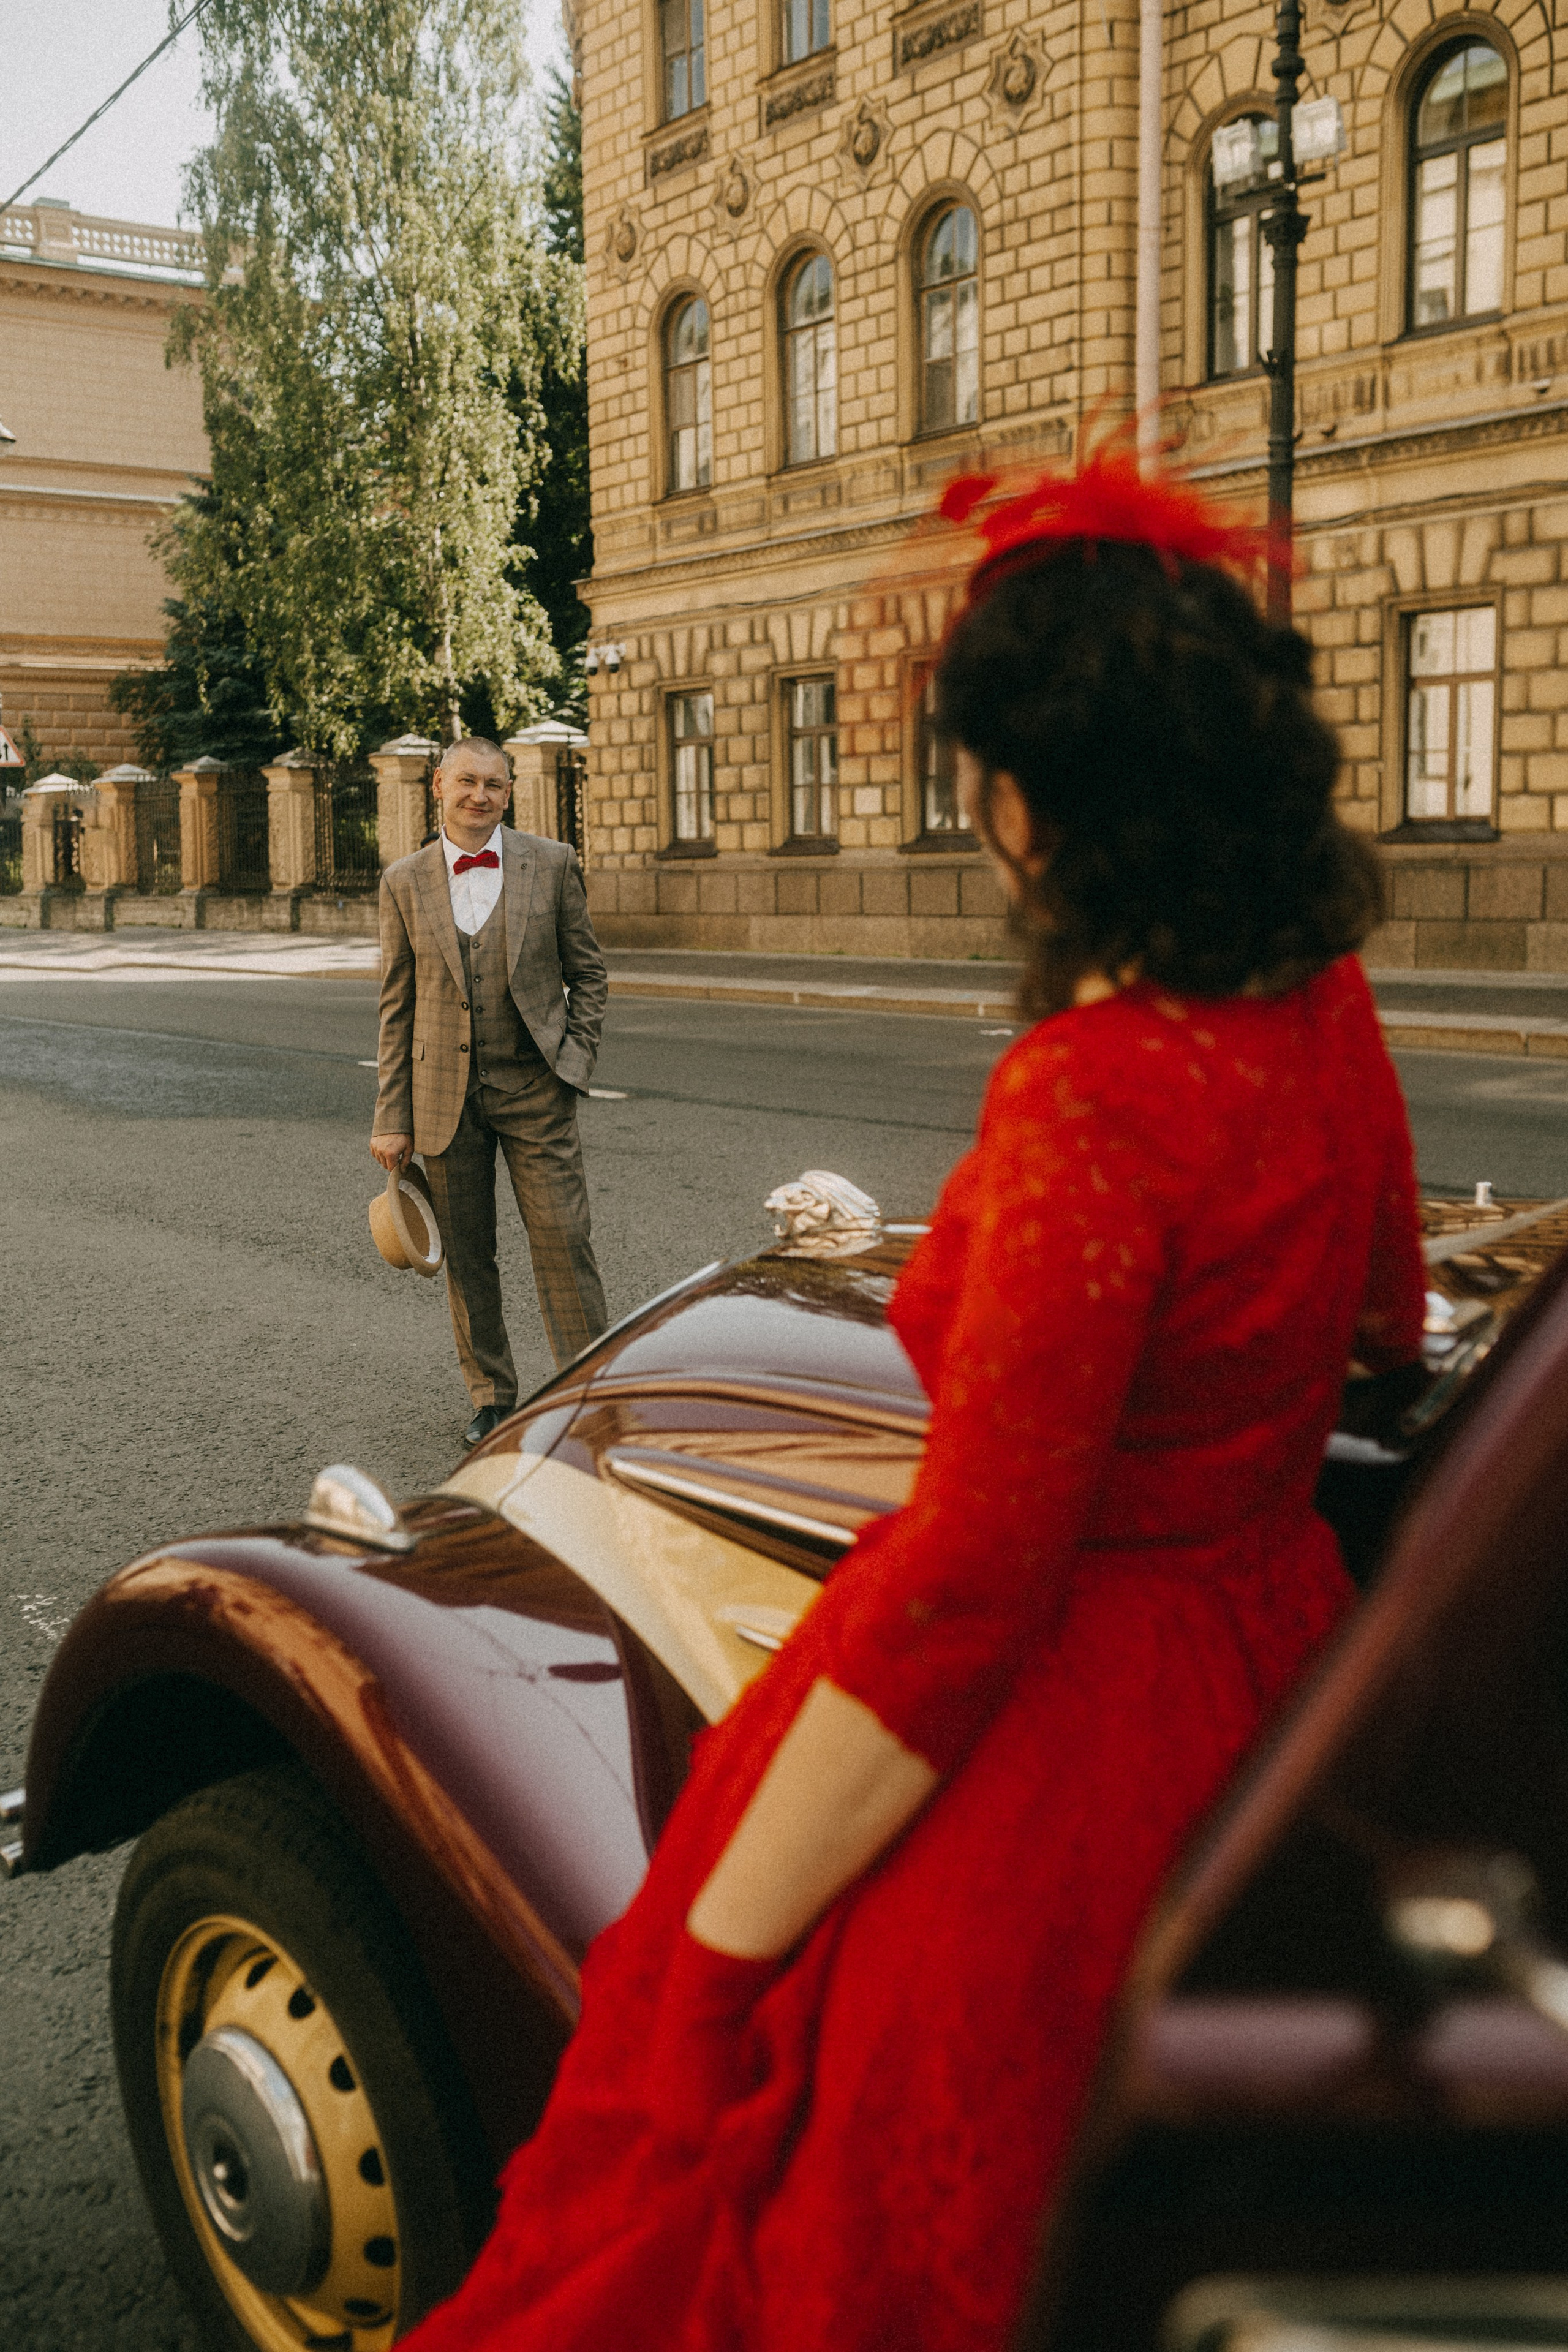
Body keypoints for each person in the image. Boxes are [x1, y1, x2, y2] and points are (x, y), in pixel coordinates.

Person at [399, 451, 1428, 2352]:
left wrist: (715, 1950)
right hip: (1278, 1670)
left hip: (1068, 1748)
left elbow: (969, 1578)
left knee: (818, 2216)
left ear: (1042, 800)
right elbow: (1384, 1318)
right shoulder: (1321, 1000)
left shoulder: (1094, 1094)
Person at [371, 736, 609, 1449]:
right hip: (443, 1096)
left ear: (509, 794)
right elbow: (395, 1003)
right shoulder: (403, 880)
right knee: (470, 1255)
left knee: (564, 1241)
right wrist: (392, 1114)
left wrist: (575, 1058)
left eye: (495, 786)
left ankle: (586, 1392)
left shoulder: (554, 863)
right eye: (468, 782)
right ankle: (492, 1398)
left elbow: (589, 974)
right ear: (438, 785)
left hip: (536, 1087)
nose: (481, 795)